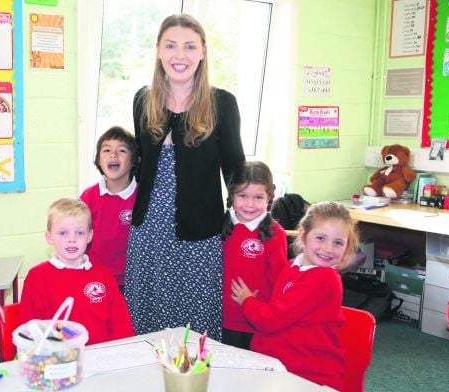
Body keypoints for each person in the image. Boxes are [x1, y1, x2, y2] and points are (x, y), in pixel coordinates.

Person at [125, 13, 245, 340]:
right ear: (158, 51)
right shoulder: (142, 100)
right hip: (149, 231)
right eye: (171, 46)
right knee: (149, 319)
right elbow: (140, 165)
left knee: (196, 325)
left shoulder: (222, 103)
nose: (180, 55)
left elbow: (236, 169)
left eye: (190, 46)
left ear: (203, 51)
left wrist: (252, 217)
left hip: (200, 233)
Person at [231, 201, 358, 390]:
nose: (328, 249)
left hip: (308, 376)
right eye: (321, 238)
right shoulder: (292, 266)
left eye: (338, 243)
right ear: (303, 235)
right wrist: (258, 302)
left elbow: (271, 319)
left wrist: (247, 301)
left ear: (347, 247)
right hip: (277, 365)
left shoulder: (324, 278)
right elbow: (281, 306)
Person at [20, 198, 135, 344]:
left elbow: (122, 325)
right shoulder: (37, 277)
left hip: (103, 358)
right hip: (58, 359)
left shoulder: (104, 276)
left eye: (80, 233)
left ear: (89, 236)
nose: (72, 239)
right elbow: (32, 329)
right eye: (63, 233)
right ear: (49, 237)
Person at [221, 161, 288, 350]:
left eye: (258, 197)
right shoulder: (220, 226)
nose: (250, 204)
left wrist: (259, 306)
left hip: (256, 321)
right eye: (242, 196)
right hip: (221, 318)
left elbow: (278, 281)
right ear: (232, 195)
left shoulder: (276, 234)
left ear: (269, 197)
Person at [80, 125, 138, 289]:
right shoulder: (88, 197)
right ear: (99, 159)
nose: (113, 154)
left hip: (130, 282)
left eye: (122, 150)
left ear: (133, 160)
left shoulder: (142, 197)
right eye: (106, 150)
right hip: (93, 279)